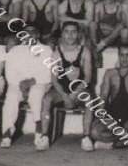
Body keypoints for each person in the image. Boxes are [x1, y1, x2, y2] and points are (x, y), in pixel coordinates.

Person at [40, 21, 94, 152]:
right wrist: (64, 96)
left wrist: (75, 93)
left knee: (90, 101)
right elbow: (54, 79)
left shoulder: (85, 51)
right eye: (67, 32)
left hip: (79, 89)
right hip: (61, 90)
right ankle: (44, 136)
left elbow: (87, 77)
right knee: (46, 99)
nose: (70, 35)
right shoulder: (57, 52)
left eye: (73, 32)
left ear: (78, 34)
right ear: (62, 34)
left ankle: (86, 137)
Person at [0, 24, 53, 148]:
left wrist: (31, 82)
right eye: (26, 32)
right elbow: (10, 72)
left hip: (39, 82)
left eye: (32, 32)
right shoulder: (15, 50)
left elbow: (48, 72)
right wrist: (21, 85)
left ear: (38, 35)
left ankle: (39, 131)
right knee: (11, 96)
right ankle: (7, 133)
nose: (29, 35)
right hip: (18, 84)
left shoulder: (46, 49)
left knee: (36, 94)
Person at [89, 44, 128, 151]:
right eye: (122, 55)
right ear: (118, 56)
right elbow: (103, 96)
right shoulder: (110, 73)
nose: (124, 58)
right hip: (114, 117)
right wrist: (100, 114)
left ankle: (112, 144)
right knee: (94, 132)